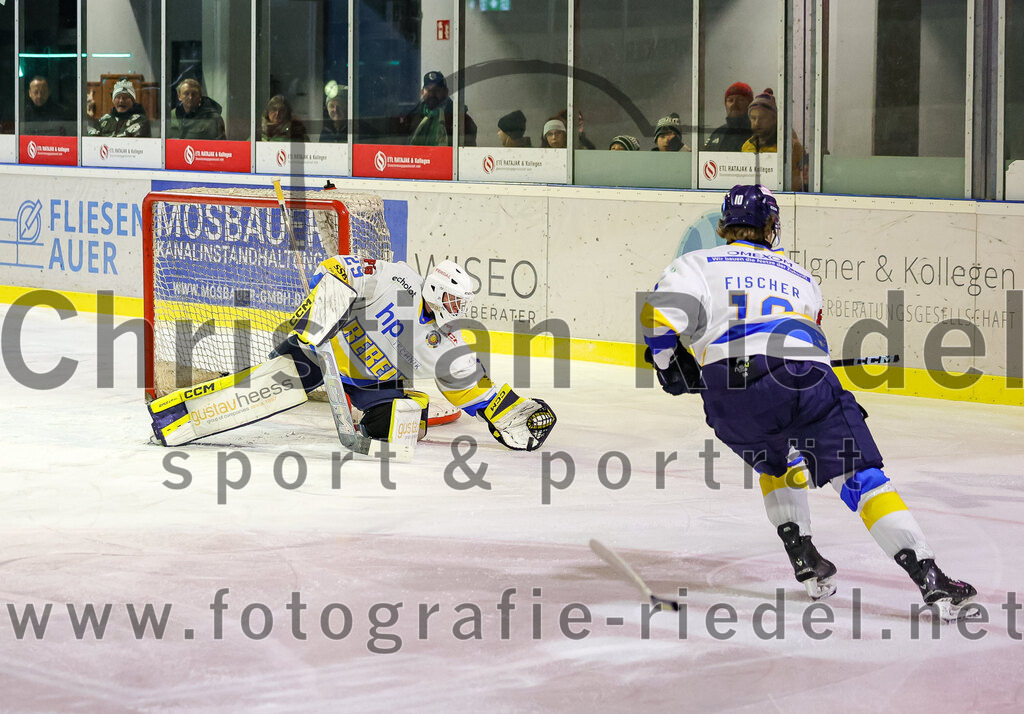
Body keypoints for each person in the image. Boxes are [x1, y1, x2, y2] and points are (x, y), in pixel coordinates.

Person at [640, 184, 976, 621]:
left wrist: (668, 366)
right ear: (771, 227)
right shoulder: (801, 276)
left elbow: (656, 319)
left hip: (729, 390)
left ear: (724, 225)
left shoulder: (697, 263)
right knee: (861, 478)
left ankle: (803, 555)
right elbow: (806, 342)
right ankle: (930, 577)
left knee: (775, 461)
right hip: (807, 378)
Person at [149, 257, 557, 455]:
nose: (456, 306)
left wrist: (514, 411)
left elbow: (474, 388)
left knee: (405, 422)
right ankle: (176, 418)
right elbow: (338, 267)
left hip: (372, 387)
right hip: (321, 352)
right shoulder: (397, 279)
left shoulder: (444, 342)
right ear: (433, 288)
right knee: (269, 386)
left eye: (460, 300)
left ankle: (380, 412)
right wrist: (319, 310)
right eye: (451, 296)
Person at [740, 88, 805, 189]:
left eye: (762, 118)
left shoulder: (791, 146)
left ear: (774, 119)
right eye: (753, 118)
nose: (757, 123)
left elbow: (801, 181)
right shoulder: (747, 146)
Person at [403, 71, 478, 147]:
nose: (432, 94)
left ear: (446, 92)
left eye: (437, 90)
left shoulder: (461, 120)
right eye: (428, 90)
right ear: (422, 92)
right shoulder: (411, 118)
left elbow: (466, 154)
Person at [703, 81, 753, 152]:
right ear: (725, 104)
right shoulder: (717, 133)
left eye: (740, 100)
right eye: (730, 100)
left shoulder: (757, 133)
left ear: (750, 104)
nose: (734, 104)